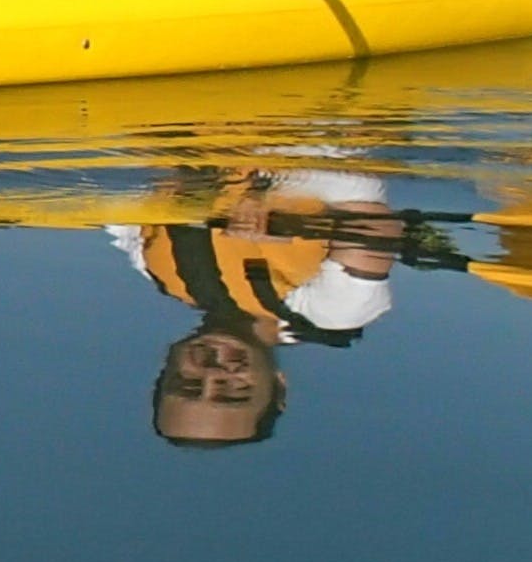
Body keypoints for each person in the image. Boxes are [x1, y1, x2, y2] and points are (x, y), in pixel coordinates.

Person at [115, 170, 411, 446]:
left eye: (188, 383)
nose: (213, 374)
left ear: (167, 366)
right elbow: (374, 215)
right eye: (235, 391)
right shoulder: (335, 312)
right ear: (279, 386)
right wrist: (285, 212)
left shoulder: (153, 267)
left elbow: (119, 184)